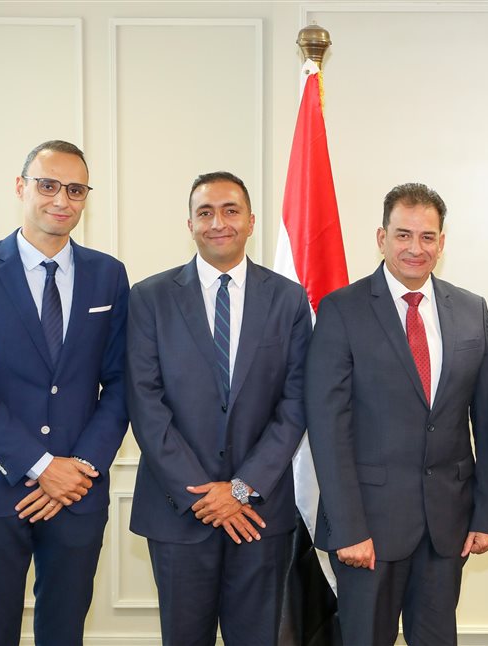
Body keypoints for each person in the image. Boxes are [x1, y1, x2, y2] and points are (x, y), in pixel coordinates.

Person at [0, 139, 129, 645]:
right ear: (21, 187)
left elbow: (121, 383)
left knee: (64, 633)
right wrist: (42, 465)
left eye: (75, 189)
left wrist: (80, 467)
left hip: (78, 493)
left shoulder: (108, 275)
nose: (61, 199)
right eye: (48, 185)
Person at [305, 182, 488, 645]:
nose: (416, 248)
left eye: (427, 236)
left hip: (447, 528)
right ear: (381, 238)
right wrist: (348, 528)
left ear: (441, 242)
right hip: (368, 531)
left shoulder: (472, 310)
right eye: (403, 235)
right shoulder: (342, 310)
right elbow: (328, 428)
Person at [127, 171, 312, 645]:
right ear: (189, 223)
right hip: (178, 512)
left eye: (231, 211)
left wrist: (242, 488)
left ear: (251, 222)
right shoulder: (150, 297)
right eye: (205, 212)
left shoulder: (288, 298)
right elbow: (145, 403)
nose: (218, 223)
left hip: (259, 513)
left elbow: (296, 402)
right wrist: (204, 495)